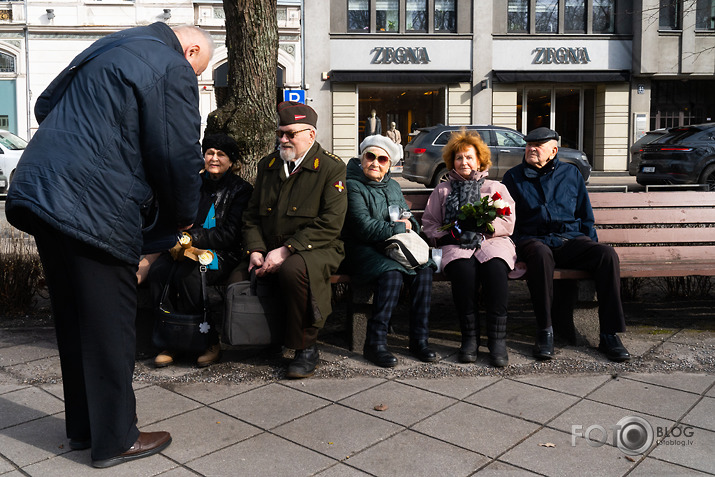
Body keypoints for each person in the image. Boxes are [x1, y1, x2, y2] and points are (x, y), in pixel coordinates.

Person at [5, 23, 214, 468]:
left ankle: (84, 428)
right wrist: (183, 216)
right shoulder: (170, 63)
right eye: (199, 70)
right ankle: (116, 438)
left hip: (42, 192)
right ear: (191, 49)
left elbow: (46, 103)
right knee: (108, 326)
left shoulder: (111, 45)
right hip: (94, 204)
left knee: (76, 319)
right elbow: (177, 154)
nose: (193, 78)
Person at [502, 127, 631, 363]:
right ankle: (545, 331)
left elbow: (585, 215)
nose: (531, 149)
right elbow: (510, 221)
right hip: (535, 241)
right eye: (529, 145)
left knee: (606, 255)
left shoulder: (571, 174)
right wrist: (517, 246)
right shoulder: (513, 177)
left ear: (553, 150)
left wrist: (589, 245)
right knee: (540, 255)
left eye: (537, 146)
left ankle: (609, 334)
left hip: (570, 239)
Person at [239, 101, 347, 379]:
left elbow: (331, 223)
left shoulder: (330, 168)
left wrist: (286, 250)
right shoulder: (269, 165)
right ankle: (266, 338)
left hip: (317, 247)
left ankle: (306, 348)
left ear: (310, 135)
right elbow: (251, 215)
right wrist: (255, 249)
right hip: (271, 246)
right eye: (280, 133)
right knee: (239, 276)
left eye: (290, 133)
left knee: (294, 271)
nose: (283, 139)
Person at [148, 134, 253, 368]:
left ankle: (208, 341)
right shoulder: (192, 184)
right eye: (210, 153)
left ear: (231, 160)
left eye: (221, 154)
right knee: (159, 271)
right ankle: (171, 340)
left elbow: (230, 235)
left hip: (223, 254)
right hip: (184, 249)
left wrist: (193, 237)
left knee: (192, 273)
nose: (214, 158)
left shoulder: (240, 190)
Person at [422, 130, 516, 368]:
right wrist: (447, 233)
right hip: (456, 245)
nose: (464, 162)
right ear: (452, 162)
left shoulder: (496, 187)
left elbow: (508, 221)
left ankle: (497, 342)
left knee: (495, 270)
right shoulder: (442, 190)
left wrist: (485, 225)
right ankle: (469, 340)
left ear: (479, 160)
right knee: (464, 272)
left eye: (469, 157)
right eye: (459, 158)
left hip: (492, 243)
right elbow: (430, 223)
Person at [342, 135, 437, 368]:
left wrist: (410, 224)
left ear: (389, 164)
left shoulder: (393, 185)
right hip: (361, 249)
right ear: (362, 158)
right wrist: (398, 226)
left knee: (424, 271)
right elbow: (363, 227)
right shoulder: (352, 186)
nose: (375, 163)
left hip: (394, 247)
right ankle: (375, 343)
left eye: (382, 159)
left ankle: (419, 340)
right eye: (370, 156)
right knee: (392, 274)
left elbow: (409, 220)